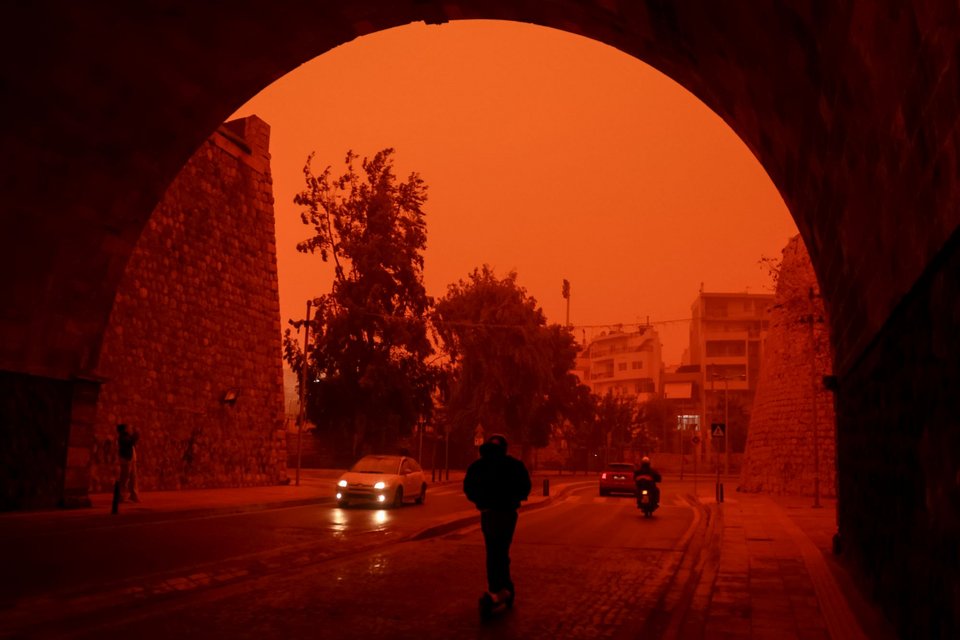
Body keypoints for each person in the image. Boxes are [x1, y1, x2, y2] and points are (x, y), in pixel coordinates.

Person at [463, 434, 531, 609]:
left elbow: (469, 487)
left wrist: (481, 502)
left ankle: (498, 588)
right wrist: (513, 499)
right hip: (507, 512)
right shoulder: (514, 465)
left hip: (489, 513)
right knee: (501, 550)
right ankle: (503, 587)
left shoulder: (479, 466)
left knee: (493, 551)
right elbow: (525, 486)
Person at [116, 423, 140, 502]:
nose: (130, 429)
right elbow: (130, 442)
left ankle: (133, 495)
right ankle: (120, 495)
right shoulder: (122, 437)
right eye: (129, 427)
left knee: (133, 478)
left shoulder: (127, 436)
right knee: (124, 478)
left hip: (132, 459)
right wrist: (136, 435)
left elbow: (131, 443)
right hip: (126, 460)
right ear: (125, 429)